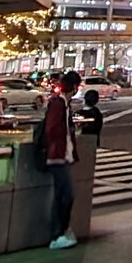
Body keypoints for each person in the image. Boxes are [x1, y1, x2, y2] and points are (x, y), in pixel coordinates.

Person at [43, 69, 83, 250]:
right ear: (74, 87)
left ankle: (60, 232)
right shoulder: (58, 104)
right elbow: (52, 129)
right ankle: (57, 234)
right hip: (57, 156)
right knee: (65, 196)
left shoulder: (64, 104)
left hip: (62, 155)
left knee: (63, 196)